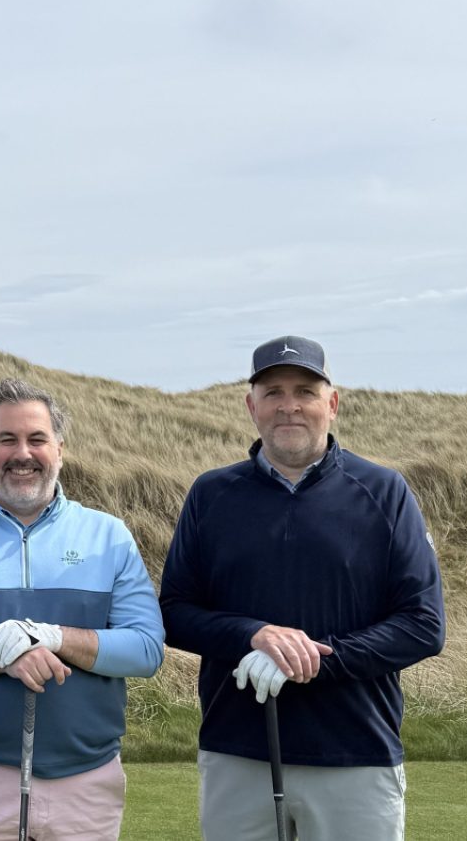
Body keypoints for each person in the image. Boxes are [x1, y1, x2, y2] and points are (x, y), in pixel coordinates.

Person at [160, 335, 446, 841]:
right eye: (272, 392)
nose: (288, 406)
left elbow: (422, 626)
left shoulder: (384, 492)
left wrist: (311, 657)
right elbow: (175, 613)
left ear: (331, 404)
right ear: (252, 407)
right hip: (236, 751)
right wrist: (253, 636)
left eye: (305, 392)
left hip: (355, 752)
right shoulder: (211, 494)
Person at [0, 378, 165, 841]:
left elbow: (145, 649)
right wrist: (2, 653)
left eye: (36, 439)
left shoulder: (108, 536)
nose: (22, 453)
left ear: (59, 449)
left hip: (87, 779)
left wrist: (53, 637)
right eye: (7, 439)